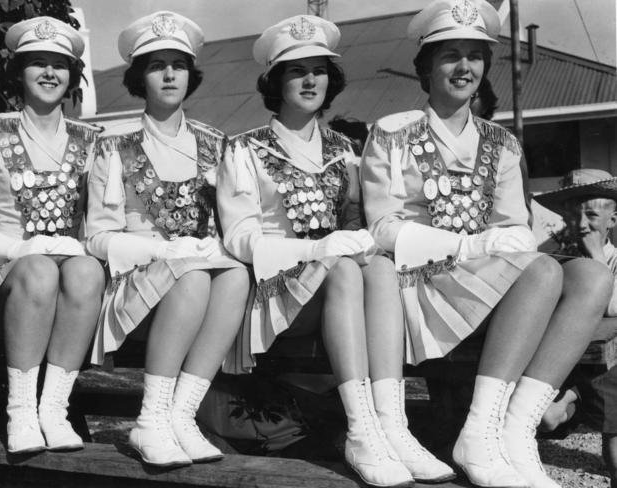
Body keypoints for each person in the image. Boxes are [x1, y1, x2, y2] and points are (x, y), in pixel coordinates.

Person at [359, 1, 613, 487]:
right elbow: (383, 227)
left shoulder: (502, 143)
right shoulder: (391, 134)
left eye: (474, 56)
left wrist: (495, 244)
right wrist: (470, 246)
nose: (464, 67)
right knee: (542, 270)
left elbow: (517, 228)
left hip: (488, 279)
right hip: (418, 280)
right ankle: (478, 432)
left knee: (594, 276)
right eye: (450, 55)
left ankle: (513, 430)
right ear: (426, 68)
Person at [217, 14, 455, 488]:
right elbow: (239, 238)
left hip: (336, 296)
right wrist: (318, 248)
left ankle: (393, 424)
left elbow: (357, 223)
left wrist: (357, 241)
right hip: (271, 291)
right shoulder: (243, 149)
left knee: (381, 270)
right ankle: (362, 430)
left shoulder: (347, 151)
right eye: (295, 70)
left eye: (319, 70)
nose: (310, 80)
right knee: (346, 271)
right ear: (273, 80)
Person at [86, 11, 250, 467]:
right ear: (141, 77)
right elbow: (98, 237)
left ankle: (181, 415)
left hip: (196, 275)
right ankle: (150, 418)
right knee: (195, 278)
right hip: (135, 278)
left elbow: (231, 224)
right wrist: (162, 250)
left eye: (178, 64)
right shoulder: (115, 145)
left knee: (236, 276)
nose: (170, 74)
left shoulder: (215, 142)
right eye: (157, 65)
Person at [0, 17, 105, 454]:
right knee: (40, 270)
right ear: (21, 74)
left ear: (72, 75)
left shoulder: (93, 139)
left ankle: (54, 409)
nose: (49, 73)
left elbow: (98, 224)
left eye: (60, 65)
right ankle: (21, 411)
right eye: (37, 64)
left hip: (67, 273)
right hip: (8, 273)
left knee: (86, 273)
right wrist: (19, 248)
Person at [535, 168, 617, 487]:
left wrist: (595, 258)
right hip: (567, 362)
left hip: (608, 367)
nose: (582, 224)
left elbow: (611, 306)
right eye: (575, 214)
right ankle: (572, 397)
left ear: (612, 220)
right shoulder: (556, 262)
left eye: (592, 215)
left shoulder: (612, 260)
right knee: (545, 418)